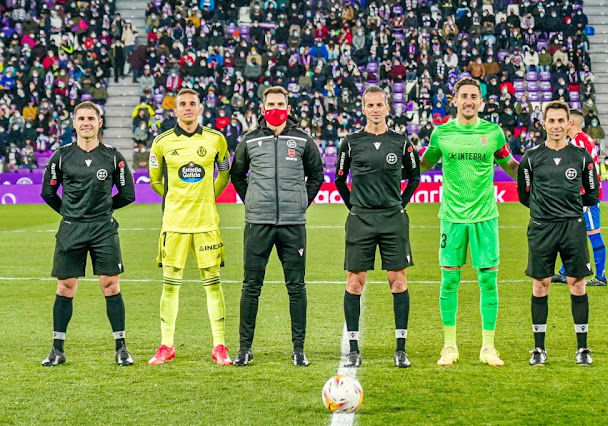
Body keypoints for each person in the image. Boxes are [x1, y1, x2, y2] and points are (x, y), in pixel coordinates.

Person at [420, 77, 519, 367]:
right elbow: (424, 163)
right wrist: (394, 171)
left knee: (488, 280)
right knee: (449, 280)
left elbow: (510, 164)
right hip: (451, 217)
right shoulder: (442, 134)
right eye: (464, 96)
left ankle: (488, 347)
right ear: (455, 100)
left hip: (485, 216)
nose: (469, 101)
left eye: (474, 96)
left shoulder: (493, 133)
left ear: (481, 101)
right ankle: (449, 346)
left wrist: (534, 180)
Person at [230, 86, 324, 367]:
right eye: (270, 103)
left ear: (289, 107)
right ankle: (244, 349)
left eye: (280, 103)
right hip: (258, 222)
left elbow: (316, 176)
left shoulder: (303, 140)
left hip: (293, 223)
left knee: (296, 287)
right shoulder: (248, 140)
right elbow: (238, 177)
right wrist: (254, 201)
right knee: (251, 286)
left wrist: (299, 202)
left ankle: (298, 349)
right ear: (262, 108)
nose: (276, 108)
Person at [40, 101, 135, 366]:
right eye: (81, 118)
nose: (86, 123)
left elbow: (128, 194)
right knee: (65, 287)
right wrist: (70, 213)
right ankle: (57, 350)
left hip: (103, 228)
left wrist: (103, 210)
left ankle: (122, 348)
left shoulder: (113, 156)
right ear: (74, 123)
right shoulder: (61, 156)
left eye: (91, 118)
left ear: (99, 122)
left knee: (111, 285)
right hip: (71, 229)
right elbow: (47, 192)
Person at [335, 86, 421, 368]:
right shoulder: (350, 142)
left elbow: (414, 178)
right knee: (354, 283)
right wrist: (355, 207)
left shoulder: (401, 142)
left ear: (387, 108)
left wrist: (399, 205)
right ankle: (354, 349)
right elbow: (339, 180)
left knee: (398, 281)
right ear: (363, 109)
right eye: (369, 105)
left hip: (392, 219)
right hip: (361, 219)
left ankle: (400, 348)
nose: (375, 109)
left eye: (379, 105)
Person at [147, 89, 232, 366]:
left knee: (213, 284)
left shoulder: (216, 140)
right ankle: (166, 345)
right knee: (170, 286)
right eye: (182, 104)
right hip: (174, 224)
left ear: (200, 109)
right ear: (175, 110)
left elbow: (225, 173)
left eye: (192, 104)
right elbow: (156, 181)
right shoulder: (161, 143)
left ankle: (219, 345)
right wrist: (176, 200)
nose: (187, 108)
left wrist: (208, 196)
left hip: (206, 223)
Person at [517, 101, 599, 366]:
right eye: (550, 121)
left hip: (573, 228)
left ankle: (583, 348)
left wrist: (569, 210)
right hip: (541, 228)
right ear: (543, 124)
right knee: (541, 285)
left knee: (578, 284)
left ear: (568, 124)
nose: (556, 126)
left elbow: (593, 193)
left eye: (560, 121)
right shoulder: (531, 158)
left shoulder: (582, 157)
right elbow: (523, 195)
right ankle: (539, 349)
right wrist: (544, 212)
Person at [552, 110, 608, 286]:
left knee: (593, 233)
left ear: (571, 123)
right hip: (580, 196)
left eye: (564, 121)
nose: (561, 125)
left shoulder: (579, 142)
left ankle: (600, 276)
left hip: (586, 197)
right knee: (571, 233)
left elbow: (582, 171)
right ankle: (564, 272)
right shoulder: (581, 140)